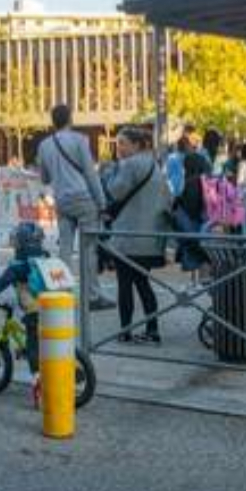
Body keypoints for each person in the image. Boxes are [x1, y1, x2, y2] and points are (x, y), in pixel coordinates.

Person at [0, 221, 70, 407]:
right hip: (57, 308)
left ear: (19, 244)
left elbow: (1, 283)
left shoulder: (19, 266)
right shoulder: (45, 257)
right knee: (57, 342)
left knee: (33, 343)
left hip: (35, 309)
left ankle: (37, 381)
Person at [36, 103, 114, 310]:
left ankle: (63, 293)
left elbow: (44, 177)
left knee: (65, 247)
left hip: (62, 199)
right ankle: (92, 295)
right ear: (70, 119)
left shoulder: (44, 145)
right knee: (89, 249)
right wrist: (102, 203)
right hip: (83, 198)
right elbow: (90, 173)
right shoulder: (80, 140)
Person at [102, 126, 170, 344]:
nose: (118, 148)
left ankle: (125, 330)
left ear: (136, 145)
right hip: (150, 237)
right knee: (143, 282)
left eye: (122, 143)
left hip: (127, 236)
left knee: (125, 284)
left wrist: (110, 172)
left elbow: (115, 190)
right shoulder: (155, 165)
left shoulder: (129, 165)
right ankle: (153, 329)